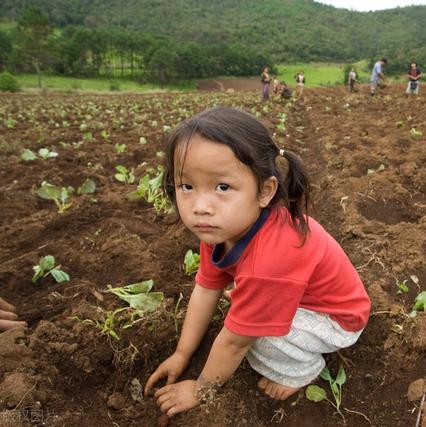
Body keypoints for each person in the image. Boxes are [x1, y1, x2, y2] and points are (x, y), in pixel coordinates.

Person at [145, 107, 371, 417]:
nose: (200, 206)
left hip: (336, 320)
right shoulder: (221, 227)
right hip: (301, 298)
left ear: (265, 192)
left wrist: (199, 389)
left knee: (253, 339)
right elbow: (205, 288)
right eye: (187, 186)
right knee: (244, 317)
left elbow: (235, 343)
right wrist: (182, 354)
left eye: (222, 187)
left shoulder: (269, 260)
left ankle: (303, 369)